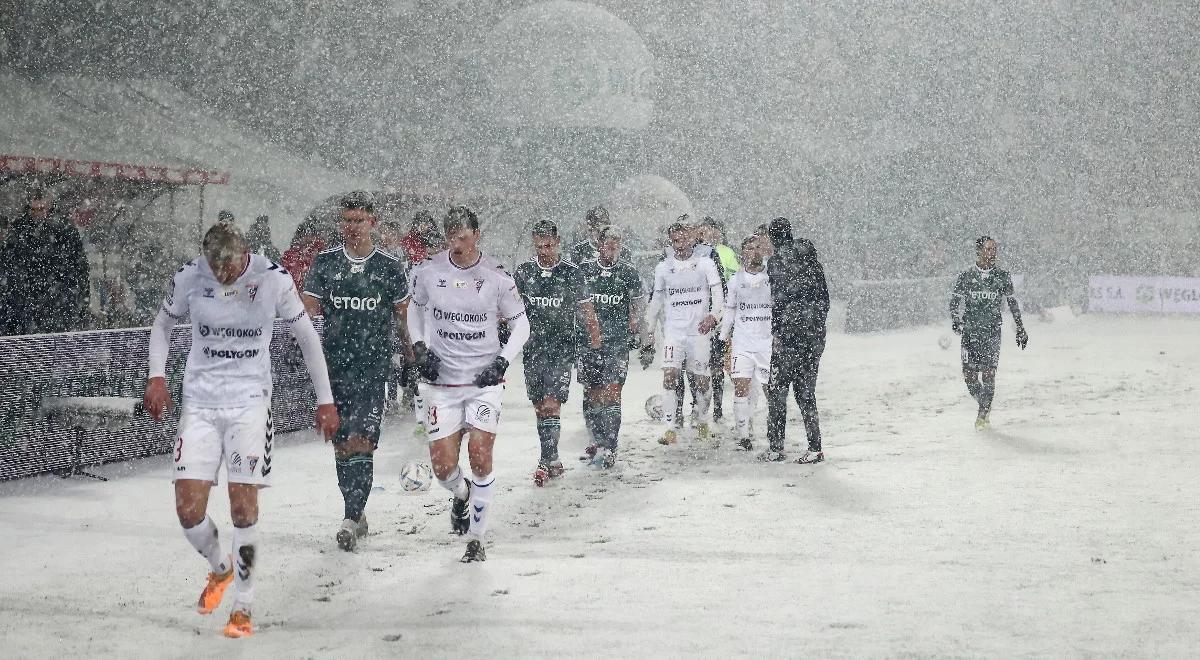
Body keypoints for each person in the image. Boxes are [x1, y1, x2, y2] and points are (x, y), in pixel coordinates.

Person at [143, 221, 339, 638]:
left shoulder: (273, 279)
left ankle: (243, 608)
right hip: (200, 404)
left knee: (242, 508)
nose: (221, 275)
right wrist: (156, 376)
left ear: (244, 254)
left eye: (228, 267)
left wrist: (325, 399)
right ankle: (220, 569)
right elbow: (161, 325)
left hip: (250, 404)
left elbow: (306, 336)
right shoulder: (189, 276)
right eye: (214, 267)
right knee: (188, 511)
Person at [407, 206, 529, 562]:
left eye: (462, 236)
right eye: (451, 237)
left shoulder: (497, 276)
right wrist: (419, 347)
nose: (456, 244)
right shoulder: (428, 271)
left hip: (483, 382)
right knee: (443, 469)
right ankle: (461, 495)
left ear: (477, 235)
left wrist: (502, 361)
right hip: (441, 383)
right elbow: (414, 309)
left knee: (479, 454)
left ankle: (476, 538)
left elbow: (522, 324)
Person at [302, 191, 410, 551]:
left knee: (362, 440)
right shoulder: (324, 263)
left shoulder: (390, 268)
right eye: (346, 221)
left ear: (372, 223)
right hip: (334, 370)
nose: (352, 227)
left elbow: (402, 318)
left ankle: (350, 516)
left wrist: (412, 357)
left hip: (372, 369)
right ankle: (356, 511)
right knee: (342, 445)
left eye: (359, 221)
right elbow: (307, 313)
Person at [513, 220, 601, 484]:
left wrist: (595, 349)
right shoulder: (524, 272)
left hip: (562, 349)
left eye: (548, 245)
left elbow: (588, 314)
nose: (544, 251)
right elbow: (509, 309)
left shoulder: (572, 273)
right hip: (533, 349)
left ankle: (546, 461)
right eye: (539, 246)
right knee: (540, 407)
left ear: (557, 242)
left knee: (552, 404)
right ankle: (550, 457)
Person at [643, 222, 724, 445]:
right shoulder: (663, 267)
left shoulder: (705, 264)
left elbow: (719, 296)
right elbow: (656, 301)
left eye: (684, 238)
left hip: (698, 332)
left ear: (692, 238)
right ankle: (670, 429)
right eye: (675, 240)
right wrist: (649, 331)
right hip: (674, 331)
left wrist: (714, 317)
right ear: (671, 241)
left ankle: (703, 421)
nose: (680, 244)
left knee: (701, 381)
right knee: (669, 375)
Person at [577, 224, 645, 468]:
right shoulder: (585, 270)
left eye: (617, 242)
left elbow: (638, 303)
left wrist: (636, 325)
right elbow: (577, 303)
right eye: (609, 242)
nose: (613, 246)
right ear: (600, 244)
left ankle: (611, 446)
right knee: (592, 393)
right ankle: (595, 442)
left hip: (617, 343)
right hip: (588, 343)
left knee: (613, 392)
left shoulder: (628, 272)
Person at [764, 216, 829, 464]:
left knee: (778, 390)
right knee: (806, 392)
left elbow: (778, 301)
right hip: (814, 336)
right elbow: (825, 298)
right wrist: (817, 325)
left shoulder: (777, 262)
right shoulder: (813, 261)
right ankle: (815, 446)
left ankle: (776, 446)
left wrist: (779, 331)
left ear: (772, 237)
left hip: (790, 335)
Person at [950, 236, 1029, 429]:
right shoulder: (966, 276)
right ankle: (984, 402)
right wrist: (956, 319)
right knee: (970, 378)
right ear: (979, 251)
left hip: (992, 333)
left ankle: (982, 413)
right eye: (988, 249)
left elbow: (1012, 303)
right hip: (970, 334)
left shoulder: (1002, 276)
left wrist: (1020, 327)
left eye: (994, 249)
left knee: (988, 374)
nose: (992, 253)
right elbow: (954, 302)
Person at [0, 189, 90, 334]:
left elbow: (79, 267)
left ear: (49, 208)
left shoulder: (64, 230)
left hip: (57, 301)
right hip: (30, 303)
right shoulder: (20, 230)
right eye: (33, 210)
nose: (37, 214)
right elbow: (10, 264)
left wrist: (79, 298)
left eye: (41, 209)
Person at [720, 235, 772, 451]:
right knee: (741, 387)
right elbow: (730, 312)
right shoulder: (735, 281)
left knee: (772, 390)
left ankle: (775, 432)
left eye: (758, 247)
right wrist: (723, 340)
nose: (755, 251)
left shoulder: (772, 277)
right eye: (750, 248)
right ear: (743, 253)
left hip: (766, 343)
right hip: (742, 342)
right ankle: (743, 436)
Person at [569, 205, 633, 265]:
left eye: (603, 230)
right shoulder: (579, 250)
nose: (600, 234)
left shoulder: (623, 251)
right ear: (589, 229)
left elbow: (628, 272)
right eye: (596, 229)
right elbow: (575, 273)